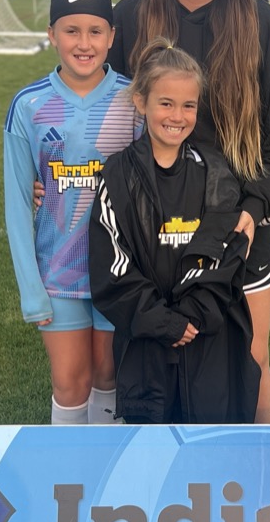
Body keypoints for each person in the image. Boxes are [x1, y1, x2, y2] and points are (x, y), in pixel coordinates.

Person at [107, 0, 270, 423]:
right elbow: (85, 97)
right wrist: (53, 174)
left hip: (237, 225)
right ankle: (164, 496)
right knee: (156, 360)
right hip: (151, 224)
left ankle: (258, 485)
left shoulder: (265, 26)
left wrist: (253, 210)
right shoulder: (128, 20)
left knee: (250, 358)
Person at [88, 38, 260, 424]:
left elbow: (227, 257)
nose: (177, 115)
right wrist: (164, 322)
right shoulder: (117, 177)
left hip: (209, 344)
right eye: (165, 103)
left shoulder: (216, 174)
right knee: (152, 456)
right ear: (141, 102)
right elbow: (111, 269)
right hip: (146, 347)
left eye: (188, 105)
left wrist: (192, 317)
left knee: (209, 453)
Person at [4, 0, 142, 424]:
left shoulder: (132, 100)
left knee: (109, 376)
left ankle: (104, 481)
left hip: (117, 272)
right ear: (51, 35)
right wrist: (31, 290)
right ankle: (67, 476)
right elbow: (17, 201)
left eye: (95, 31)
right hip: (57, 273)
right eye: (71, 30)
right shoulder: (29, 104)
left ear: (112, 37)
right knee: (69, 381)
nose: (84, 43)